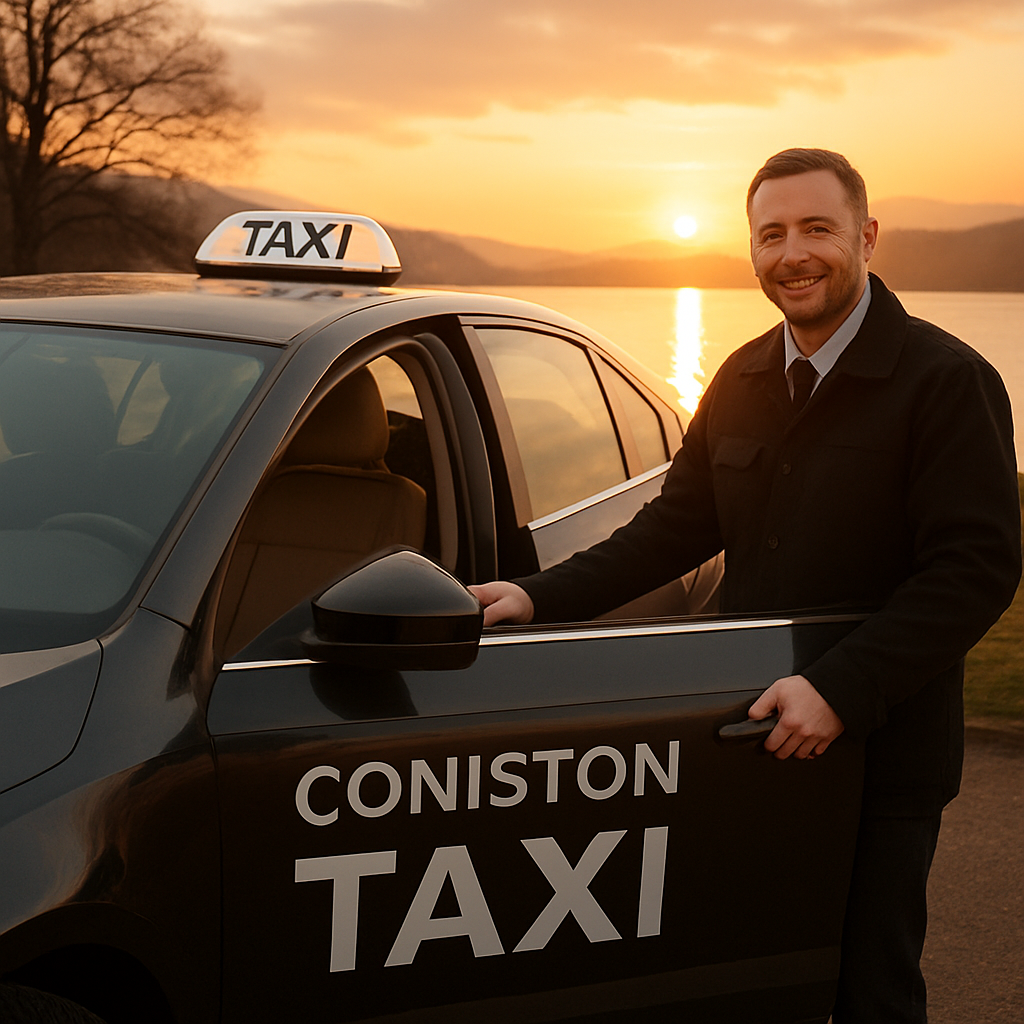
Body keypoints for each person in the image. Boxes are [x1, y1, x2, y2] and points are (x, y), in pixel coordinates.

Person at [470, 148, 1021, 1023]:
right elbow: (676, 528)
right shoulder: (742, 376)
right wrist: (539, 596)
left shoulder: (947, 381)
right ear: (751, 251)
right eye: (771, 234)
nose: (792, 253)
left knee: (869, 989)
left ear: (867, 237)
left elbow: (975, 569)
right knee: (751, 979)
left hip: (880, 758)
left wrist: (841, 688)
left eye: (816, 229)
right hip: (751, 738)